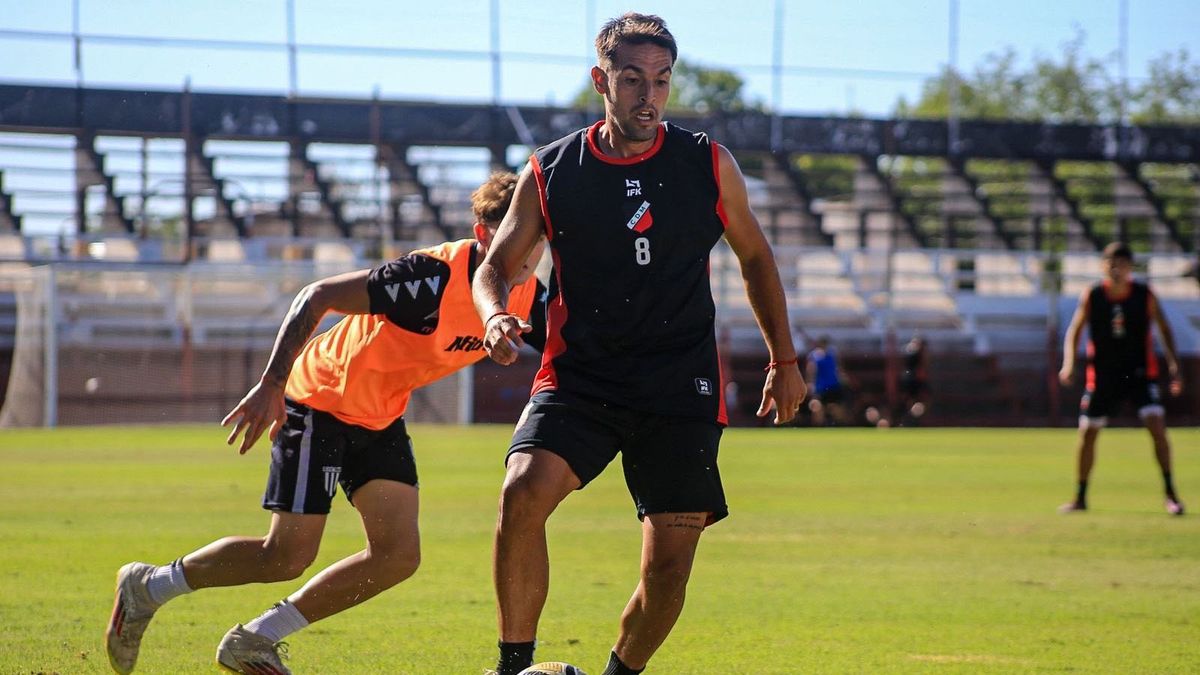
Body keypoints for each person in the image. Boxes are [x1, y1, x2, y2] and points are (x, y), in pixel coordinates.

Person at [104, 172, 548, 674]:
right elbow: (316, 297)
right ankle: (149, 586)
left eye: (538, 237)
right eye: (520, 235)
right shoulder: (431, 277)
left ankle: (255, 638)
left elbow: (573, 350)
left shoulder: (529, 294)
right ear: (487, 234)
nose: (530, 251)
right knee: (286, 555)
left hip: (380, 414)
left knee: (398, 555)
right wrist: (272, 385)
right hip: (320, 398)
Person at [472, 13, 807, 675]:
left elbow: (757, 259)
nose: (647, 95)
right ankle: (515, 668)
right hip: (581, 380)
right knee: (521, 492)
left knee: (668, 571)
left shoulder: (708, 163)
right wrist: (493, 315)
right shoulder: (553, 170)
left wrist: (785, 360)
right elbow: (495, 266)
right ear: (602, 80)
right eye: (631, 80)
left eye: (660, 80)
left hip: (679, 387)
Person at [1058, 241, 1185, 516]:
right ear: (1103, 266)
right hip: (1103, 374)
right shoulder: (1092, 295)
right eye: (1111, 264)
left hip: (1140, 373)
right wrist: (1068, 363)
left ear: (1130, 268)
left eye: (1122, 265)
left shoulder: (1144, 295)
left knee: (1156, 426)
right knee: (1088, 433)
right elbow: (1075, 331)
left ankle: (1171, 494)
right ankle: (1080, 497)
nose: (1116, 270)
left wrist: (1175, 366)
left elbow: (1164, 329)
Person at [806, 335, 850, 426]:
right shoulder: (814, 356)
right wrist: (810, 383)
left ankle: (840, 426)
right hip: (820, 387)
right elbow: (811, 371)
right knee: (817, 408)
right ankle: (819, 428)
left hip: (833, 385)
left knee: (838, 409)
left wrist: (843, 378)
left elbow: (839, 369)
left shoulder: (832, 354)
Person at [898, 334, 929, 425]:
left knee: (909, 400)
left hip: (907, 378)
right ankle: (912, 418)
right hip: (914, 379)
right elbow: (924, 365)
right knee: (919, 399)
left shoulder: (907, 350)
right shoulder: (918, 352)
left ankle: (909, 419)